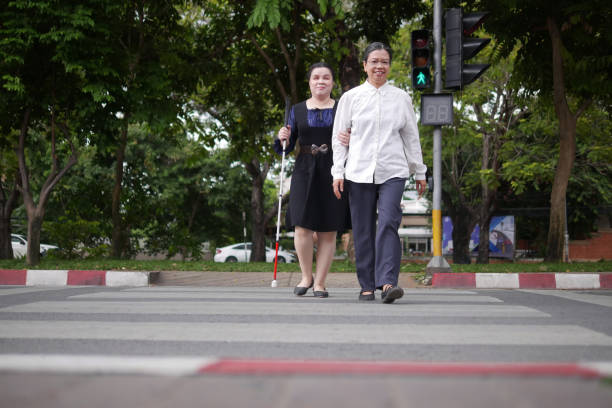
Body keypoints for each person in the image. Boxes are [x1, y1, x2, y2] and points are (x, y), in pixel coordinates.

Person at [331, 42, 427, 303]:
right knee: (362, 229)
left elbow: (411, 137)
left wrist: (419, 171)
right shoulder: (350, 99)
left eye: (384, 61)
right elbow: (339, 139)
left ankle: (387, 283)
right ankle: (366, 285)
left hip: (393, 171)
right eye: (374, 61)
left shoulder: (401, 98)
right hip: (358, 171)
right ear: (365, 65)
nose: (379, 66)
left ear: (389, 65)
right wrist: (337, 171)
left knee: (388, 223)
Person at [275, 62, 350, 298]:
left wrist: (351, 138)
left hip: (334, 169)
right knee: (302, 225)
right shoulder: (296, 110)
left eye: (326, 78)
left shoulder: (342, 108)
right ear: (309, 82)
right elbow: (285, 148)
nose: (321, 81)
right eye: (316, 77)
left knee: (329, 228)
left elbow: (355, 138)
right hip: (304, 169)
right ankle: (306, 276)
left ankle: (320, 283)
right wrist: (282, 138)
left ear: (332, 82)